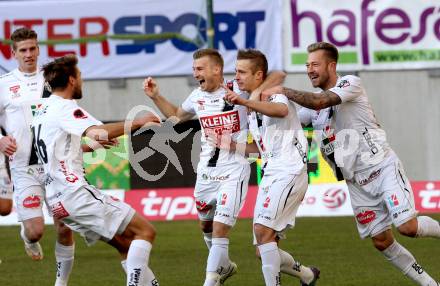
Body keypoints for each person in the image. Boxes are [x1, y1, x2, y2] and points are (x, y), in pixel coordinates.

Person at [264, 42, 440, 286]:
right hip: (356, 182)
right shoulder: (312, 110)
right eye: (307, 65)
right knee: (381, 241)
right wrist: (254, 102)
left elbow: (320, 102)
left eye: (315, 64)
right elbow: (285, 115)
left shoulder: (349, 83)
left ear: (331, 65)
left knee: (408, 227)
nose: (309, 70)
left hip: (381, 168)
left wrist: (282, 89)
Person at [143, 48, 285, 286]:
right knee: (206, 226)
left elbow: (278, 74)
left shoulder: (237, 88)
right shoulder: (196, 96)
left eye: (199, 68)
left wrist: (254, 95)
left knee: (220, 229)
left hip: (234, 170)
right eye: (193, 69)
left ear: (216, 69)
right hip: (207, 173)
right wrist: (156, 96)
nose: (195, 73)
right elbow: (176, 117)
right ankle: (225, 265)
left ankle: (211, 280)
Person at [31, 54, 160, 286]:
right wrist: (137, 123)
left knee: (126, 244)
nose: (81, 81)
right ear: (71, 80)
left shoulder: (41, 110)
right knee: (145, 232)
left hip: (57, 201)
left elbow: (57, 149)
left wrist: (86, 148)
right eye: (79, 76)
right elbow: (97, 131)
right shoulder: (65, 107)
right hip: (75, 194)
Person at [215, 49, 319, 286]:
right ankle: (307, 275)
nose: (237, 77)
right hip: (271, 172)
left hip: (290, 170)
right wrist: (231, 145)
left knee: (263, 232)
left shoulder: (272, 96)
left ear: (258, 75)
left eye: (242, 72)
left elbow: (281, 109)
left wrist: (245, 100)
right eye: (236, 71)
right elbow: (261, 149)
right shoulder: (253, 106)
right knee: (263, 249)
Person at [0, 27, 76, 286]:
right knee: (35, 231)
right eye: (23, 50)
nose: (29, 54)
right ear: (13, 53)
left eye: (33, 49)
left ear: (38, 49)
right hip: (23, 166)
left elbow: (70, 112)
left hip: (55, 164)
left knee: (64, 225)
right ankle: (27, 237)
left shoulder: (52, 79)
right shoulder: (5, 84)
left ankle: (60, 283)